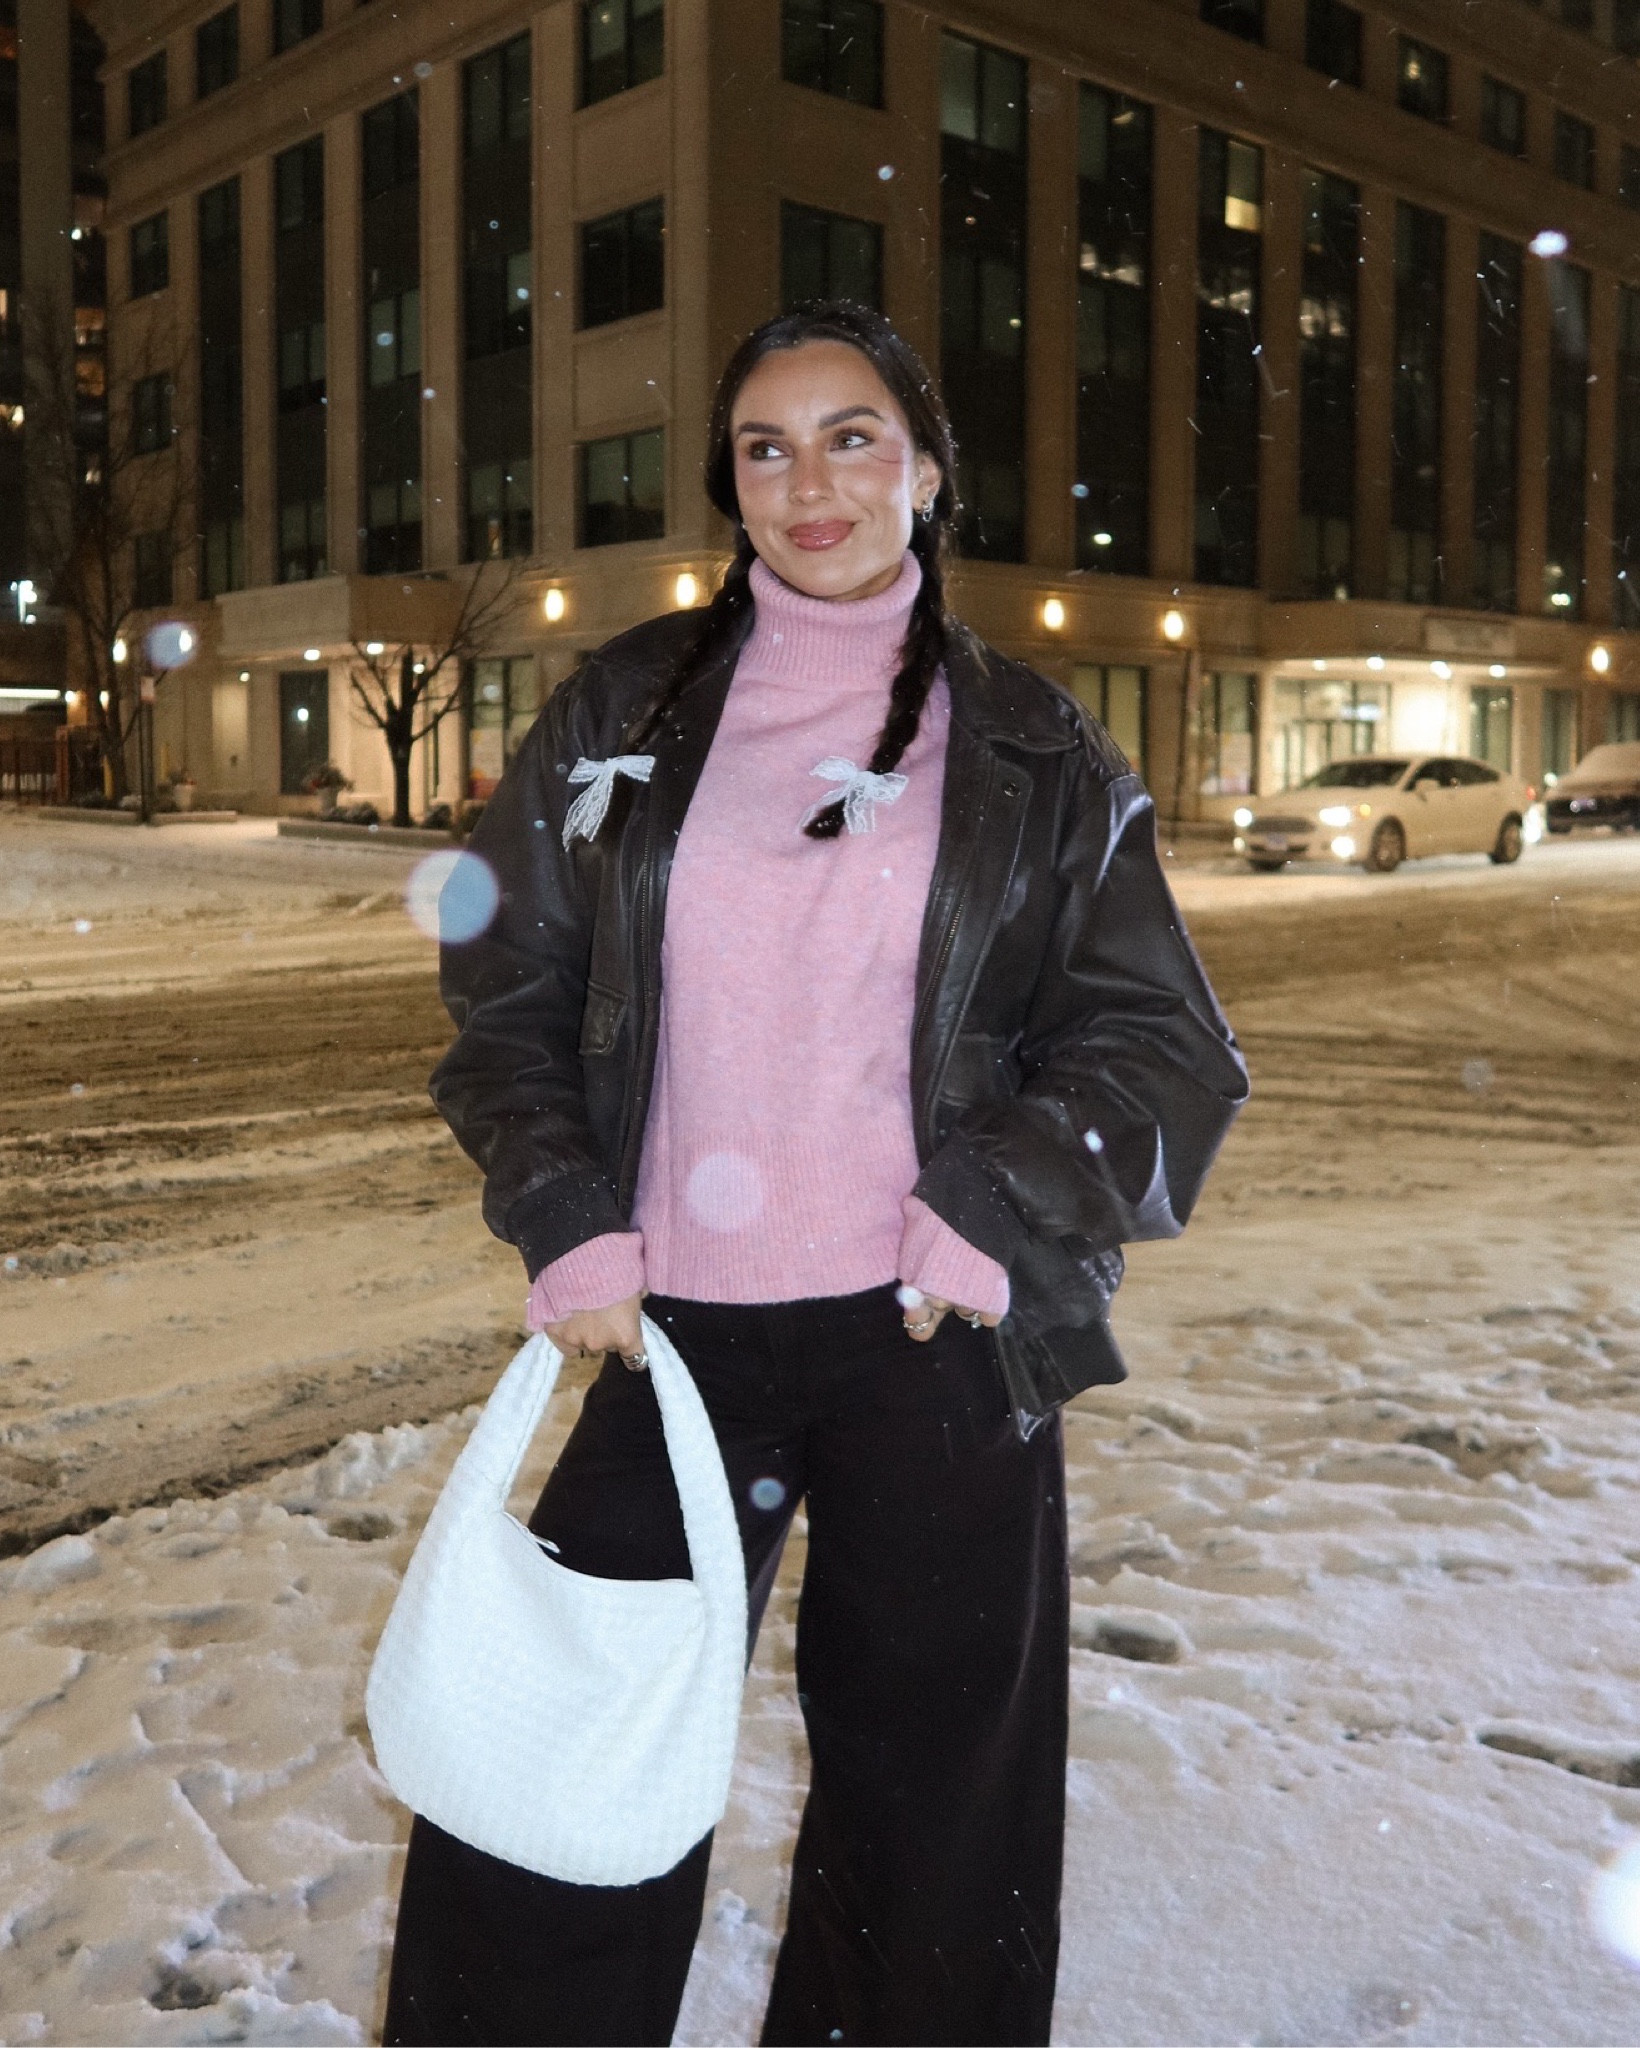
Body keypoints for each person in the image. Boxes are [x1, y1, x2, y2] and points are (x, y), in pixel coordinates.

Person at [381, 300, 1248, 2048]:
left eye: (853, 436)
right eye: (766, 448)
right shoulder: (622, 707)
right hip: (674, 1340)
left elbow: (1163, 1048)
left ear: (926, 469)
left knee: (934, 1820)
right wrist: (565, 1213)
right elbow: (505, 999)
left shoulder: (1035, 749)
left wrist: (994, 1207)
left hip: (932, 1337)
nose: (811, 482)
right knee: (558, 1789)